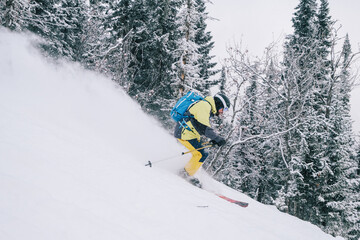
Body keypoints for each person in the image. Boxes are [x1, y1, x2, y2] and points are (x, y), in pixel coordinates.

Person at [174, 93, 230, 183]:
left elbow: (199, 125)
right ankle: (185, 175)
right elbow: (204, 128)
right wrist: (217, 138)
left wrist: (214, 139)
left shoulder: (206, 106)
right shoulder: (205, 106)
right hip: (184, 134)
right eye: (224, 109)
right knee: (201, 154)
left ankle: (187, 172)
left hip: (189, 133)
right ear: (219, 103)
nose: (222, 112)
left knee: (201, 153)